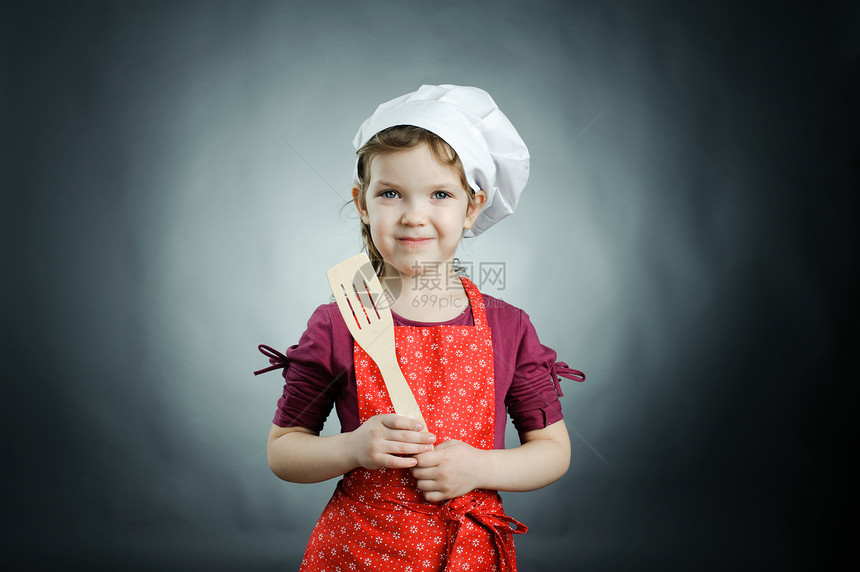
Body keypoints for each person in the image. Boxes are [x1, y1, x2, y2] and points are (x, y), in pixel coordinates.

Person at [255, 84, 585, 571]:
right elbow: (283, 452)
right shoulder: (338, 323)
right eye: (390, 193)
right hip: (356, 552)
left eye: (439, 194)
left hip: (468, 553)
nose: (414, 215)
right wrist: (351, 448)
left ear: (471, 207)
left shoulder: (508, 326)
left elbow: (553, 451)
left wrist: (480, 466)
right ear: (362, 203)